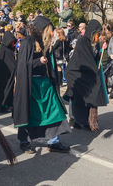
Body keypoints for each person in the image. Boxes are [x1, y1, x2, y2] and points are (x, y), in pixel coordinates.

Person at [5, 16, 71, 153]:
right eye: (49, 30)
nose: (51, 33)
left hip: (45, 84)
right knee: (29, 114)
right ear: (43, 29)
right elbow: (22, 66)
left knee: (54, 111)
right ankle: (24, 141)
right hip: (31, 84)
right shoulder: (28, 42)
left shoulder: (45, 43)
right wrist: (38, 62)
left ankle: (54, 141)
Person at [65, 19, 109, 131]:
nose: (98, 35)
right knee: (80, 98)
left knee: (89, 96)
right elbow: (86, 60)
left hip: (85, 72)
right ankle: (80, 121)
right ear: (92, 31)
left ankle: (87, 120)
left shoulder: (92, 43)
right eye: (97, 33)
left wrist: (101, 50)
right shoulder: (83, 41)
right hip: (76, 73)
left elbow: (94, 59)